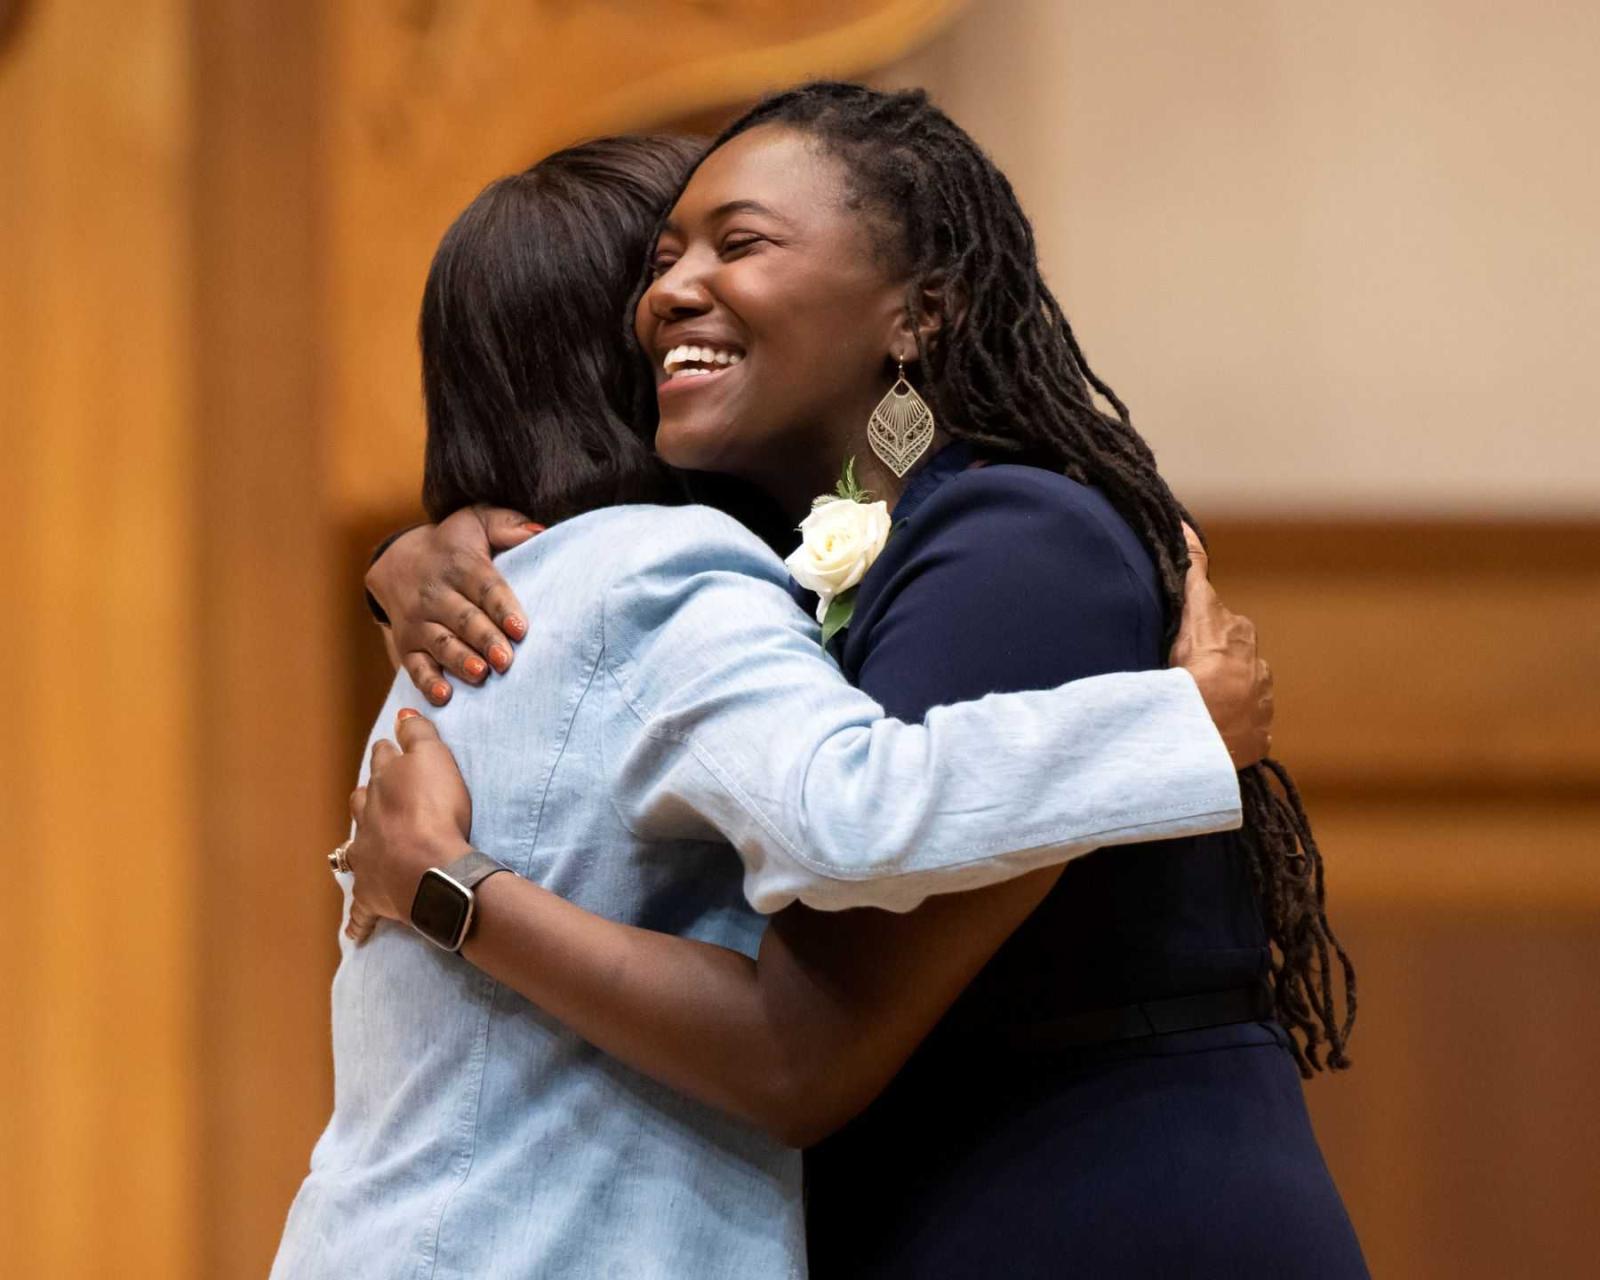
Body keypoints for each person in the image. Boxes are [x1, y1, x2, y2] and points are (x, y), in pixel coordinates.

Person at [360, 84, 1365, 1277]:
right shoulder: (808, 553)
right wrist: (407, 564)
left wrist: (451, 885)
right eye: (662, 257)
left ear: (918, 310)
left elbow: (805, 1043)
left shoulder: (1010, 540)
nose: (668, 291)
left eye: (739, 244)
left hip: (1093, 1206)